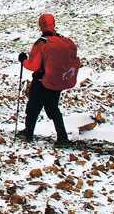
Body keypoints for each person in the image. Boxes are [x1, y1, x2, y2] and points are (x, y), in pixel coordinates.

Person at [17, 12, 70, 146]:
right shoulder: (61, 41)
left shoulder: (42, 43)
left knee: (33, 108)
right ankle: (62, 137)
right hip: (56, 82)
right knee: (53, 109)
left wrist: (23, 61)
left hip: (41, 82)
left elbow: (33, 65)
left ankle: (28, 133)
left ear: (41, 25)